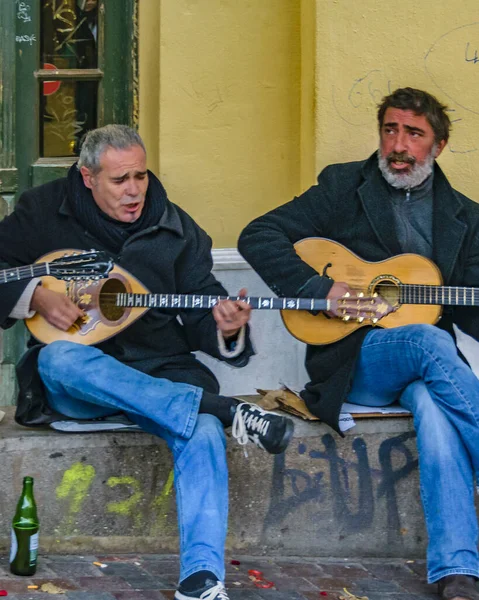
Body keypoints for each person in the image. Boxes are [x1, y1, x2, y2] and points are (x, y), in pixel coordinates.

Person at [0, 124, 294, 600]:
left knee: (197, 430)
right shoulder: (41, 212)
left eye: (141, 175)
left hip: (161, 369)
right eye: (120, 180)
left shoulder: (174, 228)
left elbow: (202, 305)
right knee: (56, 360)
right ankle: (224, 410)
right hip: (81, 381)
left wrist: (226, 324)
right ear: (87, 176)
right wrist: (35, 296)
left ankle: (202, 578)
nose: (135, 190)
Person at [238, 87, 479, 600]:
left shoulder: (466, 217)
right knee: (426, 341)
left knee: (438, 417)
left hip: (424, 368)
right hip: (355, 363)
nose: (398, 144)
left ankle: (457, 569)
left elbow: (472, 315)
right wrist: (318, 289)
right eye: (390, 129)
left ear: (438, 145)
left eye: (414, 134)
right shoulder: (343, 186)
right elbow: (258, 235)